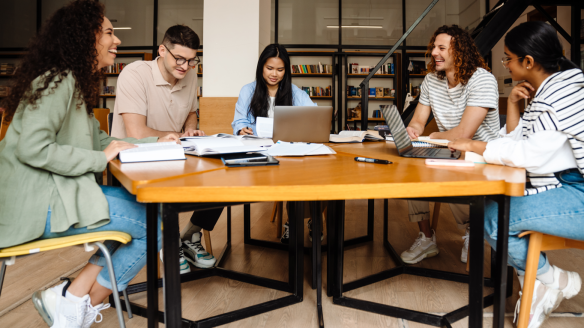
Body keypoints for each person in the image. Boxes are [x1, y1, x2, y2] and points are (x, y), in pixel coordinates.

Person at [0, 1, 176, 327]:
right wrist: (99, 158)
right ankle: (72, 302)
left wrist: (156, 141)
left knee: (152, 215)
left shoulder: (73, 84)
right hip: (36, 203)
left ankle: (71, 299)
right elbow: (32, 147)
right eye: (109, 32)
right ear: (86, 38)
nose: (118, 40)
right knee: (155, 223)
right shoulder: (57, 80)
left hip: (55, 194)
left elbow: (104, 142)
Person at [448, 21, 583, 328]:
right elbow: (520, 141)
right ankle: (542, 281)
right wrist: (512, 105)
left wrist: (474, 145)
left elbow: (529, 156)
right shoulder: (552, 88)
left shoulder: (556, 97)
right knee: (494, 206)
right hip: (567, 184)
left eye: (507, 57)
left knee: (493, 220)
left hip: (579, 193)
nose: (505, 63)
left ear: (529, 62)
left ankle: (553, 279)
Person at [111, 25, 218, 274]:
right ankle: (167, 240)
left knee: (221, 171)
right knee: (165, 184)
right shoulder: (134, 73)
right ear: (162, 50)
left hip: (173, 152)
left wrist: (190, 131)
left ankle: (189, 235)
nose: (185, 66)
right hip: (132, 156)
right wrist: (179, 137)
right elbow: (136, 133)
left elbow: (191, 112)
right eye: (179, 58)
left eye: (192, 60)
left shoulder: (189, 74)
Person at [401, 25, 500, 264]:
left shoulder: (482, 80)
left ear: (460, 52)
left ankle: (471, 232)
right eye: (434, 46)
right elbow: (418, 120)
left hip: (480, 153)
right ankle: (426, 238)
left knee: (455, 164)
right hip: (449, 149)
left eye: (441, 48)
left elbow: (464, 134)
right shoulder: (431, 81)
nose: (434, 52)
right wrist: (413, 131)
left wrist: (432, 137)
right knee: (411, 168)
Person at [231, 44, 319, 243]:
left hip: (289, 152)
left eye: (280, 70)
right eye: (269, 68)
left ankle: (296, 221)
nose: (274, 74)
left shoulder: (295, 93)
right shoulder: (248, 90)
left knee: (312, 174)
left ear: (286, 71)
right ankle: (302, 221)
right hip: (259, 153)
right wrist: (242, 129)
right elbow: (239, 122)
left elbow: (313, 115)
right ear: (261, 67)